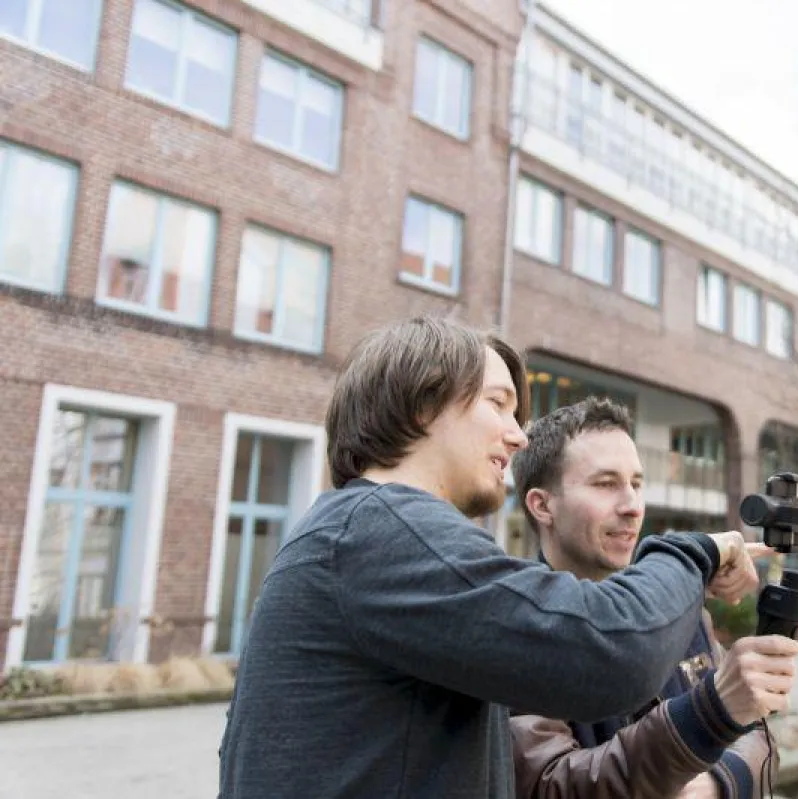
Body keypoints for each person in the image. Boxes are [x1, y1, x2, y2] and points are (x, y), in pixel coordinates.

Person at [217, 315, 764, 799]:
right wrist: (696, 551)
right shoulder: (383, 530)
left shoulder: (355, 532)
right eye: (498, 403)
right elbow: (612, 651)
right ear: (424, 404)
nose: (519, 436)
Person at [509, 398, 798, 799]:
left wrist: (719, 784)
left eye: (637, 483)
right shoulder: (516, 625)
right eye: (605, 483)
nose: (632, 506)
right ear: (542, 505)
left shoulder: (682, 607)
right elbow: (550, 785)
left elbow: (757, 737)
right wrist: (707, 717)